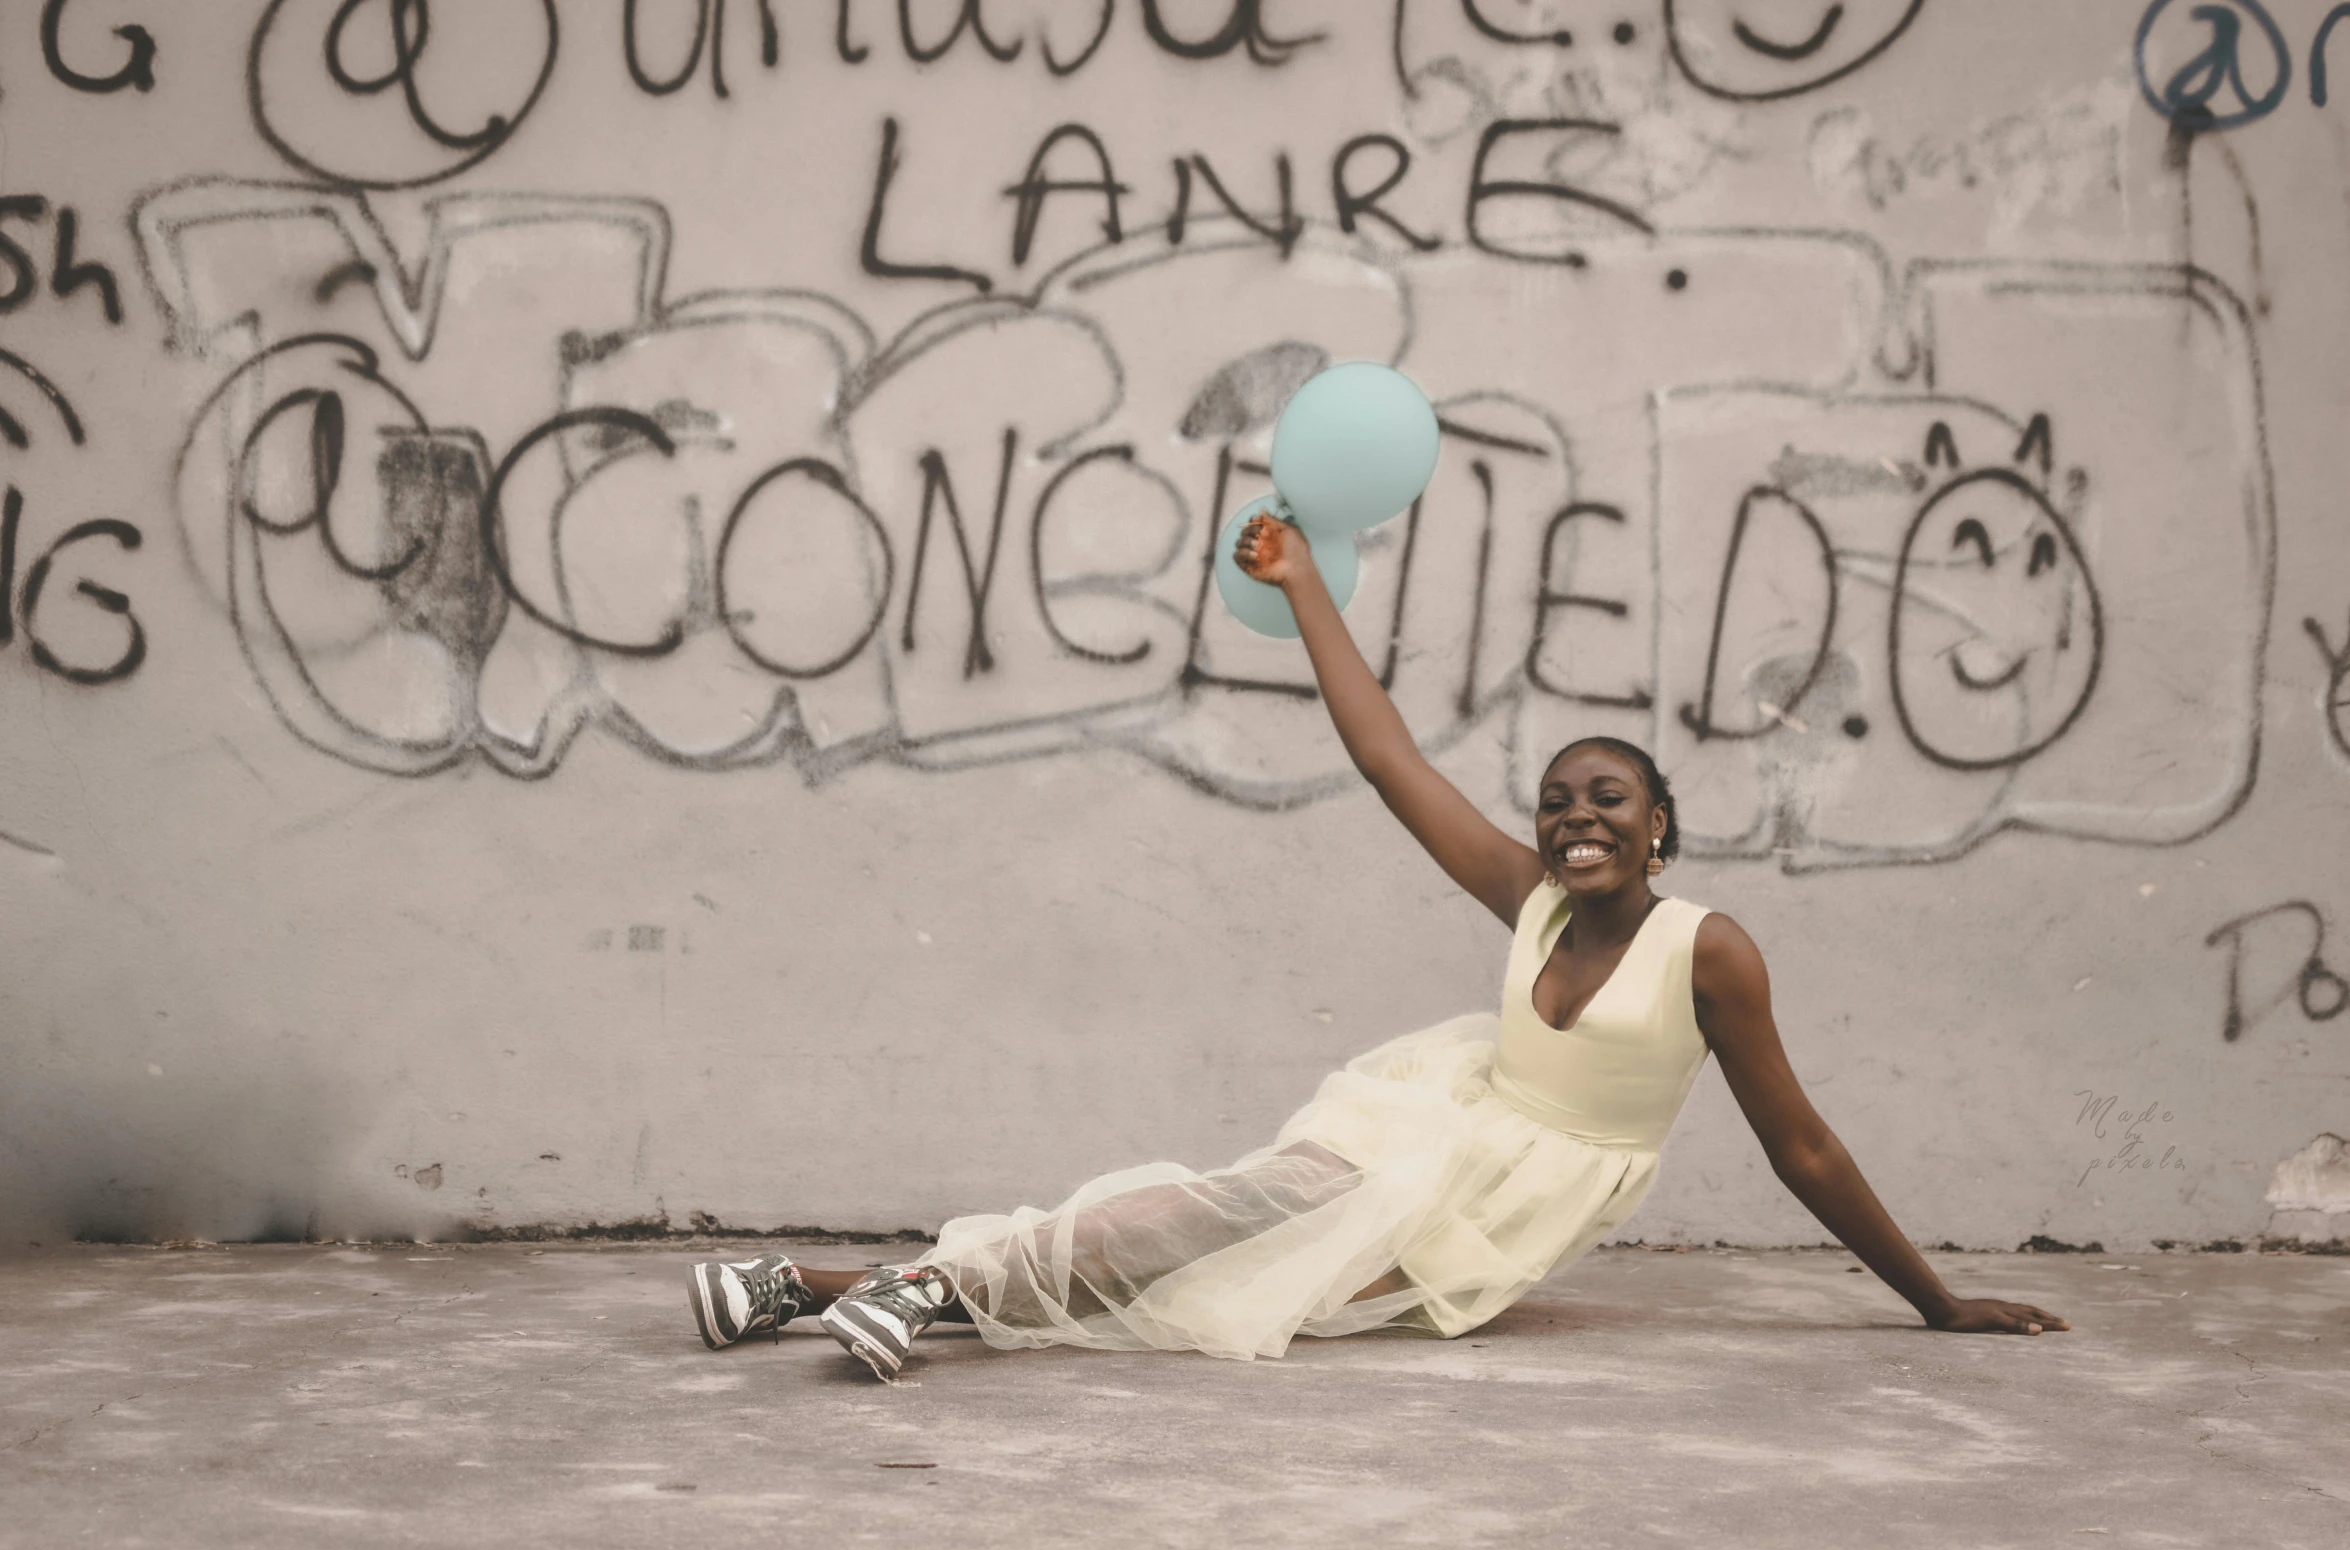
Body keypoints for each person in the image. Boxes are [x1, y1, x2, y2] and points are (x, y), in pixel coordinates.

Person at [685, 511, 2072, 1380]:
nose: (1573, 812)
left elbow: (1803, 1147)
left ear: (1660, 831)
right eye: (1558, 793)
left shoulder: (1710, 952)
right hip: (1428, 1118)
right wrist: (1300, 588)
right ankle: (906, 1279)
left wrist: (1935, 1301)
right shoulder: (1523, 888)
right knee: (1208, 1225)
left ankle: (809, 1286)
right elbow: (1382, 747)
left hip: (1510, 1206)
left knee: (1211, 1296)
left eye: (1609, 798)